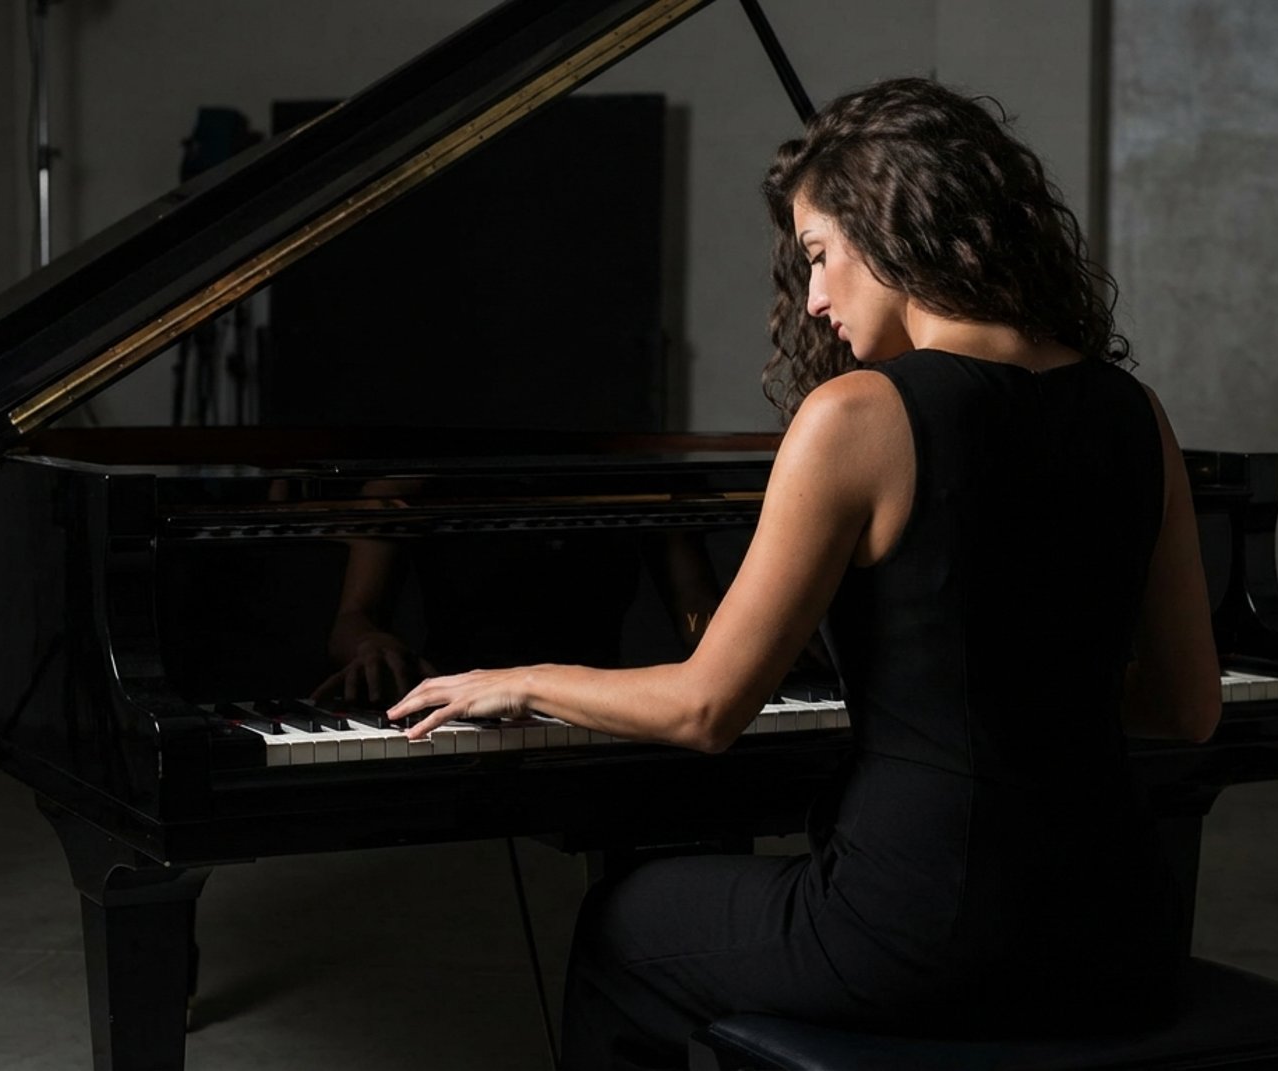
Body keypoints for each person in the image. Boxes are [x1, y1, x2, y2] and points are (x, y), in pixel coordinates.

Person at [386, 77, 1221, 1070]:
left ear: (891, 225)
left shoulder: (861, 417)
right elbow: (1186, 707)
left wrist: (522, 680)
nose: (815, 297)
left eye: (820, 253)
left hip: (922, 935)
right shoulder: (1137, 412)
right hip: (1122, 937)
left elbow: (708, 711)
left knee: (622, 919)